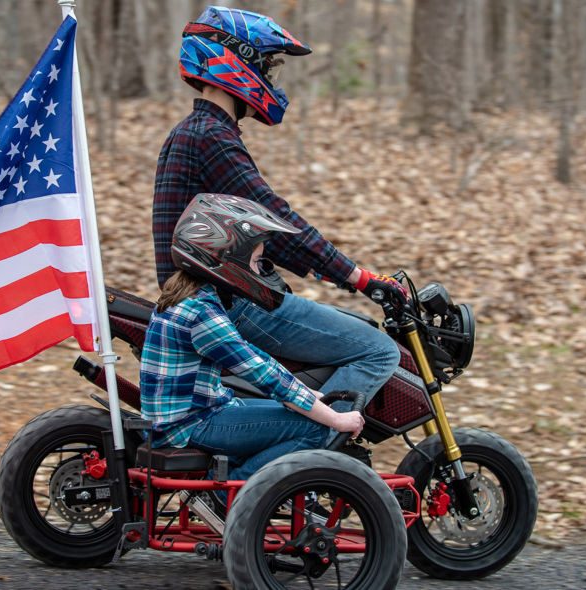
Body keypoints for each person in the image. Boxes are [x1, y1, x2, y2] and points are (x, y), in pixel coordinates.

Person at [153, 6, 404, 414]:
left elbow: (268, 234)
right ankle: (311, 450)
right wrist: (360, 279)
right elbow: (280, 224)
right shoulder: (212, 139)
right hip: (233, 305)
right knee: (377, 350)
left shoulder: (195, 133)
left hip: (209, 298)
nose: (272, 81)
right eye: (268, 68)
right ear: (235, 63)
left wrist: (335, 273)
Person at [140, 194, 366, 532]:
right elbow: (262, 373)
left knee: (293, 411)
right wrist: (334, 418)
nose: (261, 271)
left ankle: (260, 486)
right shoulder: (202, 313)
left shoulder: (189, 297)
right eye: (257, 261)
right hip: (189, 426)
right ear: (225, 258)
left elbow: (260, 364)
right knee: (315, 427)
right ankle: (232, 497)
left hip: (185, 417)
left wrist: (312, 396)